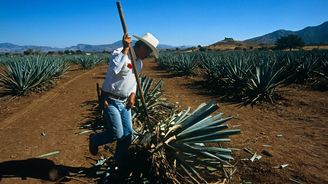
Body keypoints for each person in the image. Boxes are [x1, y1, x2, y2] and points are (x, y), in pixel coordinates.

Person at [89, 33, 159, 166]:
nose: (149, 54)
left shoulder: (139, 63)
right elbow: (114, 70)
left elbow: (134, 82)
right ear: (141, 47)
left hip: (125, 102)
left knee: (128, 134)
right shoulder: (119, 53)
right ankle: (95, 139)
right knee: (116, 133)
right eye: (148, 50)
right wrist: (125, 49)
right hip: (109, 99)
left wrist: (133, 94)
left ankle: (119, 161)